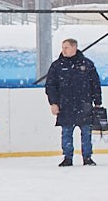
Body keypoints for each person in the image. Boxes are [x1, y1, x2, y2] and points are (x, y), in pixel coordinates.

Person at [44, 35, 103, 166]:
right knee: (66, 132)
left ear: (74, 47)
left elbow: (95, 84)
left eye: (67, 47)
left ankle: (87, 157)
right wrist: (53, 103)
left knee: (86, 132)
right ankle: (67, 157)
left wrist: (98, 101)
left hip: (84, 104)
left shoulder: (86, 64)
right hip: (65, 105)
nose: (64, 50)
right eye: (63, 47)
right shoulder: (57, 66)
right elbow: (50, 86)